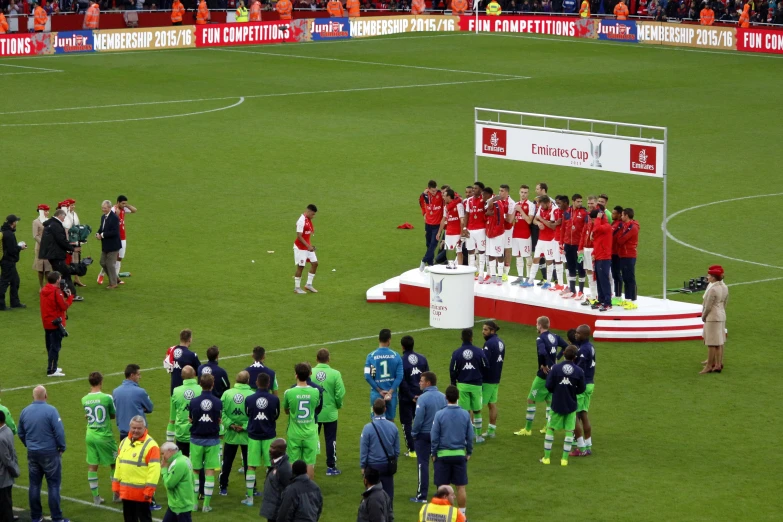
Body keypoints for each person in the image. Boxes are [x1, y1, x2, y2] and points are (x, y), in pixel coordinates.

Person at [18, 386, 67, 522]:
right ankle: (56, 517)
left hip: (33, 453)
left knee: (34, 485)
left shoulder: (25, 411)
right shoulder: (51, 411)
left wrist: (29, 445)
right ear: (46, 396)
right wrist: (62, 447)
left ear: (33, 396)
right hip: (50, 453)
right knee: (53, 485)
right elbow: (59, 432)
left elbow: (21, 433)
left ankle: (35, 516)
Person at [516, 316, 568, 436]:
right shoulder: (555, 336)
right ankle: (547, 427)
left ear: (540, 325)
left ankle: (528, 429)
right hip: (554, 373)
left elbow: (542, 352)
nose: (536, 325)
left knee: (531, 399)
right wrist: (557, 358)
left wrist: (543, 365)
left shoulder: (540, 338)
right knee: (549, 400)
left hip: (543, 375)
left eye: (536, 323)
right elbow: (566, 347)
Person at [431, 385, 473, 520]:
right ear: (458, 397)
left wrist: (433, 453)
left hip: (442, 456)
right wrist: (469, 452)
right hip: (460, 455)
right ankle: (462, 516)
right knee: (461, 487)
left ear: (446, 398)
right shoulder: (465, 414)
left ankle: (444, 515)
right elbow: (470, 435)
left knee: (443, 488)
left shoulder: (439, 414)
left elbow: (434, 436)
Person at [541, 346, 585, 466]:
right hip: (571, 404)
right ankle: (564, 460)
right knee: (569, 432)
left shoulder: (555, 368)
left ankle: (547, 458)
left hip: (556, 403)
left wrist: (558, 390)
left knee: (550, 429)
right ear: (575, 357)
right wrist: (571, 392)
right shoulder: (579, 371)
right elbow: (582, 389)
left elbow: (548, 385)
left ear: (564, 353)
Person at [113, 416, 160, 522]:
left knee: (144, 519)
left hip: (142, 494)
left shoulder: (151, 446)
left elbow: (154, 470)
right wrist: (115, 484)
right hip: (126, 492)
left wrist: (150, 490)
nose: (136, 431)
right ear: (130, 427)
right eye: (133, 428)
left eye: (139, 428)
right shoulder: (124, 442)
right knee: (129, 519)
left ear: (144, 428)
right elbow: (119, 464)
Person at [243, 373, 280, 506]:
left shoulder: (249, 399)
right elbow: (276, 415)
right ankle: (271, 496)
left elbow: (248, 413)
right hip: (269, 436)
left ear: (257, 383)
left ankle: (250, 498)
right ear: (269, 383)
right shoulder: (274, 399)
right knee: (271, 466)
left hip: (253, 435)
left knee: (251, 466)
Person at [410, 371, 446, 504]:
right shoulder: (443, 397)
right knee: (439, 464)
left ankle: (422, 495)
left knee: (422, 464)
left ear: (428, 383)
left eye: (421, 380)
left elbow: (418, 419)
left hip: (424, 435)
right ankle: (441, 494)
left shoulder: (423, 398)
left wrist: (414, 433)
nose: (419, 382)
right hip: (439, 435)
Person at [187, 374, 222, 513]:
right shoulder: (218, 402)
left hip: (196, 439)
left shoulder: (194, 402)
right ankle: (206, 505)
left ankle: (195, 504)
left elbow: (190, 419)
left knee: (195, 471)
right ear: (212, 385)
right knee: (209, 471)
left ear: (200, 384)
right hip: (212, 440)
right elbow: (219, 419)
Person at [82, 372, 118, 505]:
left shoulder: (84, 399)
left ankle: (96, 498)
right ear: (101, 382)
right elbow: (113, 415)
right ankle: (116, 494)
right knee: (115, 463)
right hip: (105, 436)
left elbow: (90, 415)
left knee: (92, 466)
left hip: (90, 435)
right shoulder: (107, 398)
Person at [449, 328, 488, 442]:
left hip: (462, 385)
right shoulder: (479, 351)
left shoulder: (456, 352)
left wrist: (453, 383)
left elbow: (452, 369)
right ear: (472, 338)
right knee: (477, 411)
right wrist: (480, 375)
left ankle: (466, 438)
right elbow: (486, 365)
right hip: (476, 384)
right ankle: (478, 436)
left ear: (461, 338)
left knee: (465, 412)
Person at [283, 363, 321, 480]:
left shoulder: (289, 392)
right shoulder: (315, 392)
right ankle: (308, 489)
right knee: (309, 463)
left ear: (296, 375)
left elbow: (286, 410)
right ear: (309, 374)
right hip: (310, 432)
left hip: (294, 433)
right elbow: (315, 407)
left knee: (292, 462)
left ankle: (292, 487)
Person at [218, 371, 253, 496]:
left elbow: (221, 412)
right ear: (248, 381)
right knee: (249, 463)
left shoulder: (227, 394)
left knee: (227, 461)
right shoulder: (252, 395)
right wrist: (244, 426)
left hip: (230, 434)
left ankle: (223, 487)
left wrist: (230, 424)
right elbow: (254, 416)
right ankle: (251, 489)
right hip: (246, 435)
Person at [313, 348, 345, 476]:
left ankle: (311, 464)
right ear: (329, 359)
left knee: (314, 439)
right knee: (330, 439)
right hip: (330, 413)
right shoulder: (335, 374)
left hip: (314, 413)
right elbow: (340, 393)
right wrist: (337, 405)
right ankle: (331, 467)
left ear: (316, 359)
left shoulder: (310, 373)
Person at [360, 398, 400, 500]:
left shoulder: (367, 428)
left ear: (373, 409)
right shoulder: (393, 427)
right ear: (385, 409)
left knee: (372, 497)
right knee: (388, 496)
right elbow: (397, 450)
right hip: (387, 466)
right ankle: (388, 515)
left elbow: (364, 449)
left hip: (372, 467)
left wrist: (363, 466)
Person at [39, 208, 80, 301]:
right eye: (64, 218)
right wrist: (72, 248)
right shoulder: (56, 225)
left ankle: (60, 293)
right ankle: (71, 295)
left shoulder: (49, 223)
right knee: (65, 274)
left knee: (58, 274)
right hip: (56, 255)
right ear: (60, 216)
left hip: (52, 254)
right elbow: (61, 240)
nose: (64, 220)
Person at [399, 335, 428, 460]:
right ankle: (423, 447)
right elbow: (428, 377)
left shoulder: (400, 361)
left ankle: (412, 450)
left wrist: (411, 396)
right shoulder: (422, 359)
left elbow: (402, 380)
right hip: (421, 396)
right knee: (421, 421)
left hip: (406, 398)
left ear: (402, 347)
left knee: (407, 423)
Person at [364, 329, 403, 421]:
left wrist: (379, 390)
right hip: (391, 395)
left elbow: (367, 376)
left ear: (379, 339)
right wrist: (390, 392)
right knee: (390, 421)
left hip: (376, 394)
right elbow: (399, 377)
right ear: (389, 340)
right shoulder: (396, 356)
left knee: (376, 421)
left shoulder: (371, 356)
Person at [40, 271, 73, 377]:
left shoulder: (44, 290)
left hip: (47, 322)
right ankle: (52, 370)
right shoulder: (56, 292)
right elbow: (63, 306)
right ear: (57, 280)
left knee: (50, 345)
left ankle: (53, 366)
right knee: (55, 347)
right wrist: (70, 298)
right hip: (56, 323)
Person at [572, 325, 596, 456]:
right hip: (590, 383)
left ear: (585, 335)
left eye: (578, 333)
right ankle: (588, 444)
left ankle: (581, 448)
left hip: (582, 385)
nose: (576, 335)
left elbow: (578, 369)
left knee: (574, 415)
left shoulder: (583, 350)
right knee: (583, 414)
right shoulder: (590, 347)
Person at [113, 364, 154, 440]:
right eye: (138, 375)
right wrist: (141, 408)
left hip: (123, 434)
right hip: (139, 433)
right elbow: (150, 408)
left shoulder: (116, 391)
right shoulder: (140, 392)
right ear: (132, 375)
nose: (140, 377)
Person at [701, 265, 728, 374]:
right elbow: (725, 302)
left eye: (709, 275)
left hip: (712, 317)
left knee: (712, 343)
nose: (707, 277)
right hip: (721, 315)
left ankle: (709, 366)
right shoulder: (724, 287)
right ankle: (718, 364)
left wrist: (704, 316)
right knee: (719, 341)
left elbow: (708, 306)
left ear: (713, 277)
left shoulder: (713, 289)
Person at [166, 365, 200, 451]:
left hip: (182, 433)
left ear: (182, 376)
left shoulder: (176, 391)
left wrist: (169, 438)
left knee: (183, 461)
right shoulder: (201, 389)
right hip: (198, 433)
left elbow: (172, 416)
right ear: (195, 374)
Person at [480, 321, 504, 439]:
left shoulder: (489, 344)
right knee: (492, 404)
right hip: (496, 378)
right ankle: (491, 430)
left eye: (485, 330)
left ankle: (476, 433)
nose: (483, 332)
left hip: (487, 379)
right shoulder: (501, 342)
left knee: (477, 406)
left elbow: (484, 362)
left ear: (492, 331)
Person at [160, 442, 195, 522]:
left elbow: (169, 484)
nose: (162, 457)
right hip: (176, 504)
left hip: (180, 505)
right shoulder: (185, 459)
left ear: (169, 451)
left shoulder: (179, 463)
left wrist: (164, 469)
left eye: (162, 454)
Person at [561, 194, 588, 298]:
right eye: (578, 201)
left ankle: (581, 291)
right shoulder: (567, 212)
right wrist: (561, 243)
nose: (580, 203)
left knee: (580, 267)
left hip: (578, 245)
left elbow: (586, 229)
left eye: (581, 201)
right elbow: (563, 228)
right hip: (568, 244)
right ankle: (572, 290)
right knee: (571, 266)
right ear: (573, 201)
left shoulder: (584, 213)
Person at [259, 439, 291, 521]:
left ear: (281, 450)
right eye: (270, 447)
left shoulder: (284, 468)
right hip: (272, 507)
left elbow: (288, 490)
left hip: (277, 510)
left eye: (273, 448)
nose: (270, 450)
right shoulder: (276, 463)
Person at [531, 196, 559, 289]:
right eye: (540, 205)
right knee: (536, 258)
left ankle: (548, 282)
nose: (541, 207)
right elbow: (535, 219)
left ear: (548, 203)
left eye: (543, 205)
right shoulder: (541, 207)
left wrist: (542, 220)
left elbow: (553, 226)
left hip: (550, 240)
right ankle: (530, 280)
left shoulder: (554, 210)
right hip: (541, 238)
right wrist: (538, 223)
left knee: (549, 261)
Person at [511, 185, 536, 286]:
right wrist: (514, 211)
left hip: (525, 235)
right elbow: (511, 220)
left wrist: (520, 210)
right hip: (515, 234)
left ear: (528, 193)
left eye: (525, 192)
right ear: (519, 192)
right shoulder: (516, 204)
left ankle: (529, 278)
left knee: (527, 257)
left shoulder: (530, 205)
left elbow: (529, 221)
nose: (523, 194)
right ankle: (520, 277)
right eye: (522, 192)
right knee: (518, 256)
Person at [1, 214, 27, 311]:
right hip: (8, 261)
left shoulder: (4, 231)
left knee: (15, 281)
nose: (17, 223)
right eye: (16, 222)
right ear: (13, 223)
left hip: (6, 261)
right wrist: (20, 247)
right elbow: (12, 250)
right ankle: (1, 304)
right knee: (4, 282)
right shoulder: (9, 234)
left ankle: (15, 302)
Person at [590, 208, 613, 311]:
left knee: (604, 280)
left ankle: (608, 303)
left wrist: (598, 219)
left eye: (593, 220)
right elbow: (597, 242)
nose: (593, 222)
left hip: (604, 257)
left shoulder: (607, 227)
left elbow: (597, 229)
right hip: (599, 256)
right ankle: (601, 300)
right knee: (599, 280)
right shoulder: (599, 226)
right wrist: (594, 253)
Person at [616, 208, 639, 310]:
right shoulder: (625, 226)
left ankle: (633, 301)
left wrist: (620, 235)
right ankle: (627, 299)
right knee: (625, 278)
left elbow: (621, 240)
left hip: (629, 255)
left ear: (626, 216)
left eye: (622, 215)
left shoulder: (632, 227)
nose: (621, 217)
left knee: (630, 278)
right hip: (623, 255)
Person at [436, 189, 466, 265]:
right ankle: (451, 266)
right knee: (449, 251)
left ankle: (460, 268)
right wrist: (439, 232)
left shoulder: (459, 205)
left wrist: (462, 233)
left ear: (449, 196)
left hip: (457, 233)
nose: (443, 198)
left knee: (458, 251)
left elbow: (462, 220)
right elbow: (443, 219)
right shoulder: (446, 207)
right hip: (448, 232)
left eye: (444, 196)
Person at [419, 181, 444, 271]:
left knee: (433, 244)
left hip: (437, 225)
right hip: (428, 224)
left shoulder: (440, 194)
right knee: (428, 244)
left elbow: (451, 195)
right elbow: (421, 203)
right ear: (428, 189)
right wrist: (424, 213)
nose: (434, 192)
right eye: (432, 191)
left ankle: (423, 260)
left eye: (435, 190)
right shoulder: (424, 195)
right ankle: (430, 265)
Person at [578, 196, 599, 304]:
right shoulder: (588, 216)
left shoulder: (600, 216)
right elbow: (583, 233)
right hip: (586, 249)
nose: (590, 205)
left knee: (595, 273)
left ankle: (596, 297)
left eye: (592, 203)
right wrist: (580, 248)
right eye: (589, 203)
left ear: (596, 203)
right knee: (589, 272)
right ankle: (593, 295)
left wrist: (595, 250)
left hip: (593, 250)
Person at [464, 182, 487, 280]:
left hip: (481, 229)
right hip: (470, 229)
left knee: (482, 251)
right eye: (473, 188)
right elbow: (467, 214)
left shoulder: (484, 200)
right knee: (470, 251)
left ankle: (481, 273)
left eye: (476, 188)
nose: (473, 190)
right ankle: (471, 272)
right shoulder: (469, 200)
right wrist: (465, 228)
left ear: (481, 190)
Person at [294, 204, 319, 294]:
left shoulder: (308, 219)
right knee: (301, 266)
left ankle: (308, 285)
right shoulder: (301, 221)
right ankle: (297, 288)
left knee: (315, 263)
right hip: (300, 247)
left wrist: (310, 246)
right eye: (313, 214)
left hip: (308, 246)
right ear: (308, 211)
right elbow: (299, 236)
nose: (314, 216)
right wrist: (308, 246)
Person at [97, 200, 121, 290]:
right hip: (106, 245)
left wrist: (102, 235)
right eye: (102, 208)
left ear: (110, 208)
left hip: (113, 245)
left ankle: (113, 283)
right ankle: (115, 278)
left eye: (105, 208)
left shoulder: (114, 218)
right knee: (102, 262)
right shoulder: (103, 217)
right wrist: (98, 233)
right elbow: (101, 228)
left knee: (110, 264)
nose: (103, 209)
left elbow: (115, 232)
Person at [0, 410, 20, 522]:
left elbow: (5, 459)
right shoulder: (8, 430)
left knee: (4, 503)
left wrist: (14, 470)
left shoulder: (0, 437)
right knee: (7, 500)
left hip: (2, 475)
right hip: (8, 475)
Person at [169, 329, 201, 395]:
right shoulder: (191, 355)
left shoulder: (171, 351)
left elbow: (168, 367)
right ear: (189, 339)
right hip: (187, 391)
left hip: (174, 390)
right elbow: (199, 372)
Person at [32, 205, 52, 290]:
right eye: (46, 211)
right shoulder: (36, 222)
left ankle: (48, 286)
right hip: (40, 248)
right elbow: (35, 235)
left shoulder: (49, 221)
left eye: (48, 211)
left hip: (49, 248)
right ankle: (41, 286)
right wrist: (43, 243)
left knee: (47, 268)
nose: (47, 212)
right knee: (40, 269)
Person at [610, 205, 624, 304]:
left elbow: (613, 237)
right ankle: (616, 295)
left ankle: (618, 296)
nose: (612, 215)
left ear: (619, 214)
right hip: (612, 252)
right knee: (614, 274)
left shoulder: (619, 225)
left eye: (614, 213)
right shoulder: (614, 223)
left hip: (617, 254)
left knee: (617, 274)